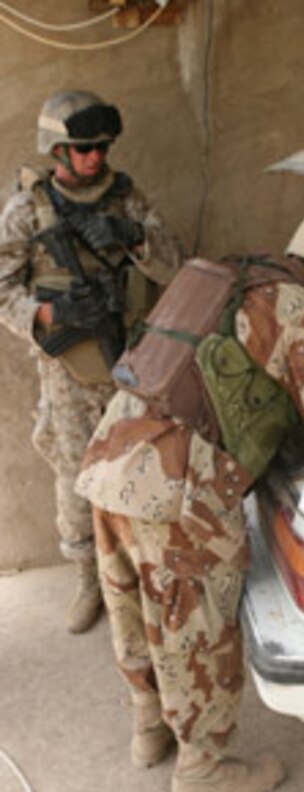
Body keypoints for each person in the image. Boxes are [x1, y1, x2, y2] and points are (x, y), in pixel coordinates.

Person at [75, 201, 304, 792]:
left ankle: (149, 727)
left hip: (113, 454)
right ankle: (203, 768)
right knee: (194, 623)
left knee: (136, 602)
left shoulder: (240, 275)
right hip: (176, 480)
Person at [0, 89, 184, 633]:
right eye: (82, 148)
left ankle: (140, 574)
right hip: (69, 371)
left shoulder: (127, 199)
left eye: (102, 147)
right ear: (57, 151)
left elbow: (175, 265)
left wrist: (133, 237)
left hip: (133, 361)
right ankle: (88, 578)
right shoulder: (26, 209)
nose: (94, 158)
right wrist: (49, 315)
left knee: (141, 469)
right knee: (74, 475)